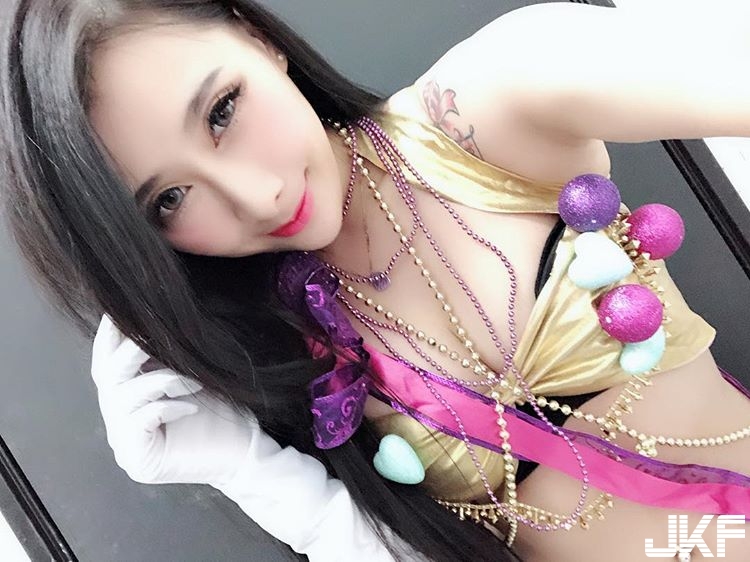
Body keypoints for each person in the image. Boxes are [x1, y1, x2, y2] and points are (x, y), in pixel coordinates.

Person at [1, 1, 749, 561]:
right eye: (169, 199)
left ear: (256, 37)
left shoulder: (483, 112)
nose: (256, 198)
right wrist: (245, 468)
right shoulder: (285, 355)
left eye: (223, 111)